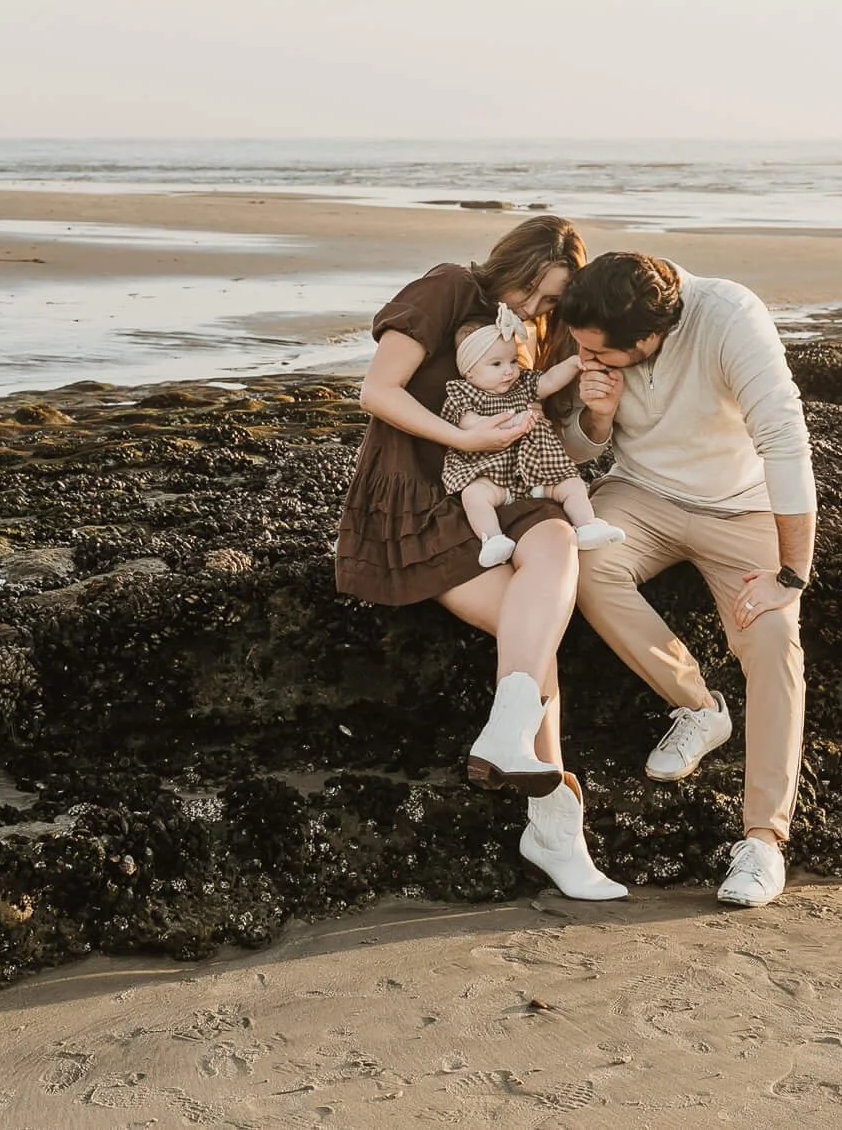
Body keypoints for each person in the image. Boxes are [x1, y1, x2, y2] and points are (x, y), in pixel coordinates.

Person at [334, 216, 626, 901]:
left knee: (556, 540)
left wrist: (600, 416)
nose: (534, 308)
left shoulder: (543, 333)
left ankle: (507, 730)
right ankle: (555, 824)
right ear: (510, 265)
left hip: (509, 490)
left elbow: (549, 440)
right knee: (537, 636)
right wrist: (461, 443)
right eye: (532, 290)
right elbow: (377, 391)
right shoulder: (448, 288)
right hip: (422, 498)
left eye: (551, 300)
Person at [559, 253, 815, 908]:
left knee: (772, 635)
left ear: (647, 339)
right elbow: (580, 450)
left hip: (741, 504)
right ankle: (700, 708)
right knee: (580, 561)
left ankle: (762, 840)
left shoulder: (730, 318)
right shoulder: (599, 313)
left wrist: (792, 571)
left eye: (596, 351)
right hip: (641, 492)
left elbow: (785, 439)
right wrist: (595, 414)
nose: (581, 355)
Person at [439, 321, 625, 568]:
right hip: (493, 475)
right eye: (496, 364)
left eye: (513, 361)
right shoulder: (463, 394)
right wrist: (510, 421)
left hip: (538, 472)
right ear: (469, 371)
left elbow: (548, 381)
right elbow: (469, 423)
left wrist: (572, 364)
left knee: (572, 484)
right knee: (473, 495)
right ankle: (492, 539)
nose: (509, 370)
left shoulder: (522, 384)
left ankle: (587, 526)